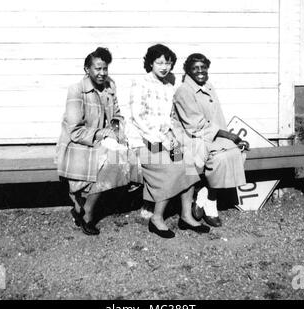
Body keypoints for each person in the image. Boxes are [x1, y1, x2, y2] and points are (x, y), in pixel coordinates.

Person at [127, 44, 208, 238]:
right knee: (171, 167)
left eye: (168, 63)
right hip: (145, 140)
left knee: (188, 163)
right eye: (159, 62)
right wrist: (160, 139)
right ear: (151, 63)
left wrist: (174, 139)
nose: (164, 67)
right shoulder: (140, 84)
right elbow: (138, 117)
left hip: (166, 138)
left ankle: (186, 216)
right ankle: (156, 218)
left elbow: (171, 120)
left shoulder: (169, 87)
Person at [56, 47, 130, 236]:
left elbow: (117, 115)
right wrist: (103, 134)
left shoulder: (109, 87)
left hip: (102, 141)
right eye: (97, 68)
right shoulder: (77, 90)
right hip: (78, 144)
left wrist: (114, 131)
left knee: (124, 157)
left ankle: (82, 208)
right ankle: (87, 212)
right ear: (87, 69)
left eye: (105, 68)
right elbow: (74, 131)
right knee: (108, 162)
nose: (102, 73)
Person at [173, 53, 249, 227]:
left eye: (203, 67)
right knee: (220, 157)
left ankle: (204, 196)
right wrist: (228, 136)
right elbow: (195, 125)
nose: (200, 71)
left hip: (210, 136)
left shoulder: (208, 86)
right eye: (195, 68)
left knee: (237, 152)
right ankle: (211, 204)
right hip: (191, 139)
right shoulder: (184, 91)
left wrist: (230, 140)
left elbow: (217, 118)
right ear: (188, 71)